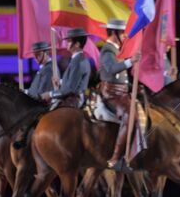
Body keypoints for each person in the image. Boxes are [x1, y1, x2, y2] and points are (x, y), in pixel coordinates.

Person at [98, 18, 141, 171]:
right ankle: (115, 158)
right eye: (123, 33)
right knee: (130, 115)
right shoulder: (108, 50)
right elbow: (111, 69)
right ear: (114, 33)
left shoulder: (117, 50)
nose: (125, 36)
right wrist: (131, 61)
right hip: (112, 94)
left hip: (122, 91)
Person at [43, 28, 91, 108]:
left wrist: (50, 94)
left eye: (69, 41)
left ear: (77, 44)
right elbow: (74, 81)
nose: (67, 44)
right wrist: (61, 82)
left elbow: (70, 89)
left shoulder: (78, 62)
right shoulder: (78, 59)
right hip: (73, 99)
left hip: (73, 101)